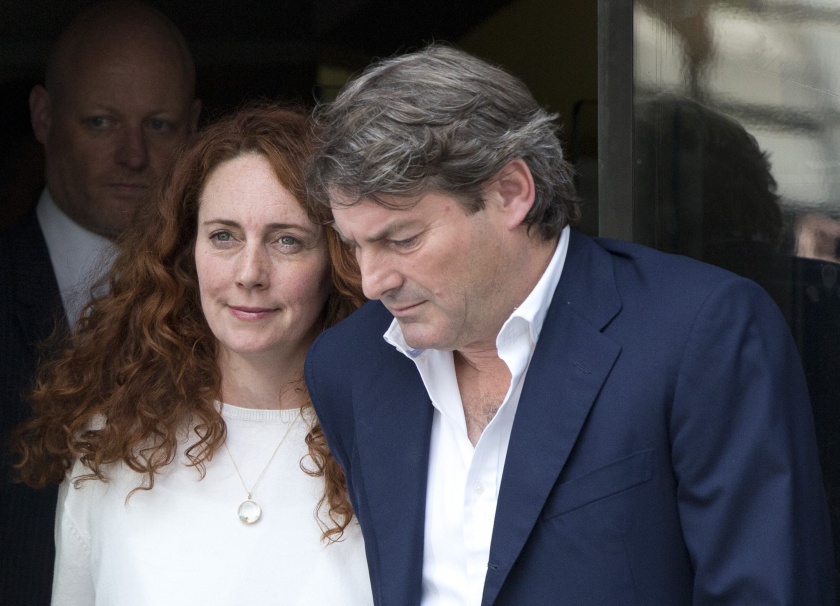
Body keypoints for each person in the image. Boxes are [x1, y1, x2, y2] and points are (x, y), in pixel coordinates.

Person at [303, 44, 835, 604]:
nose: (371, 281)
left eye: (402, 239)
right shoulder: (350, 364)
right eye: (353, 244)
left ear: (511, 191)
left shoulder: (703, 332)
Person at [13, 104, 372, 605]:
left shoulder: (389, 444)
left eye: (287, 240)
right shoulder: (112, 445)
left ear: (338, 259)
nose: (249, 273)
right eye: (223, 236)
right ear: (188, 251)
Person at [0, 2, 200, 603]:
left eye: (159, 125)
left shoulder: (242, 304)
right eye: (101, 123)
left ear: (193, 128)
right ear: (43, 116)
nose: (133, 156)